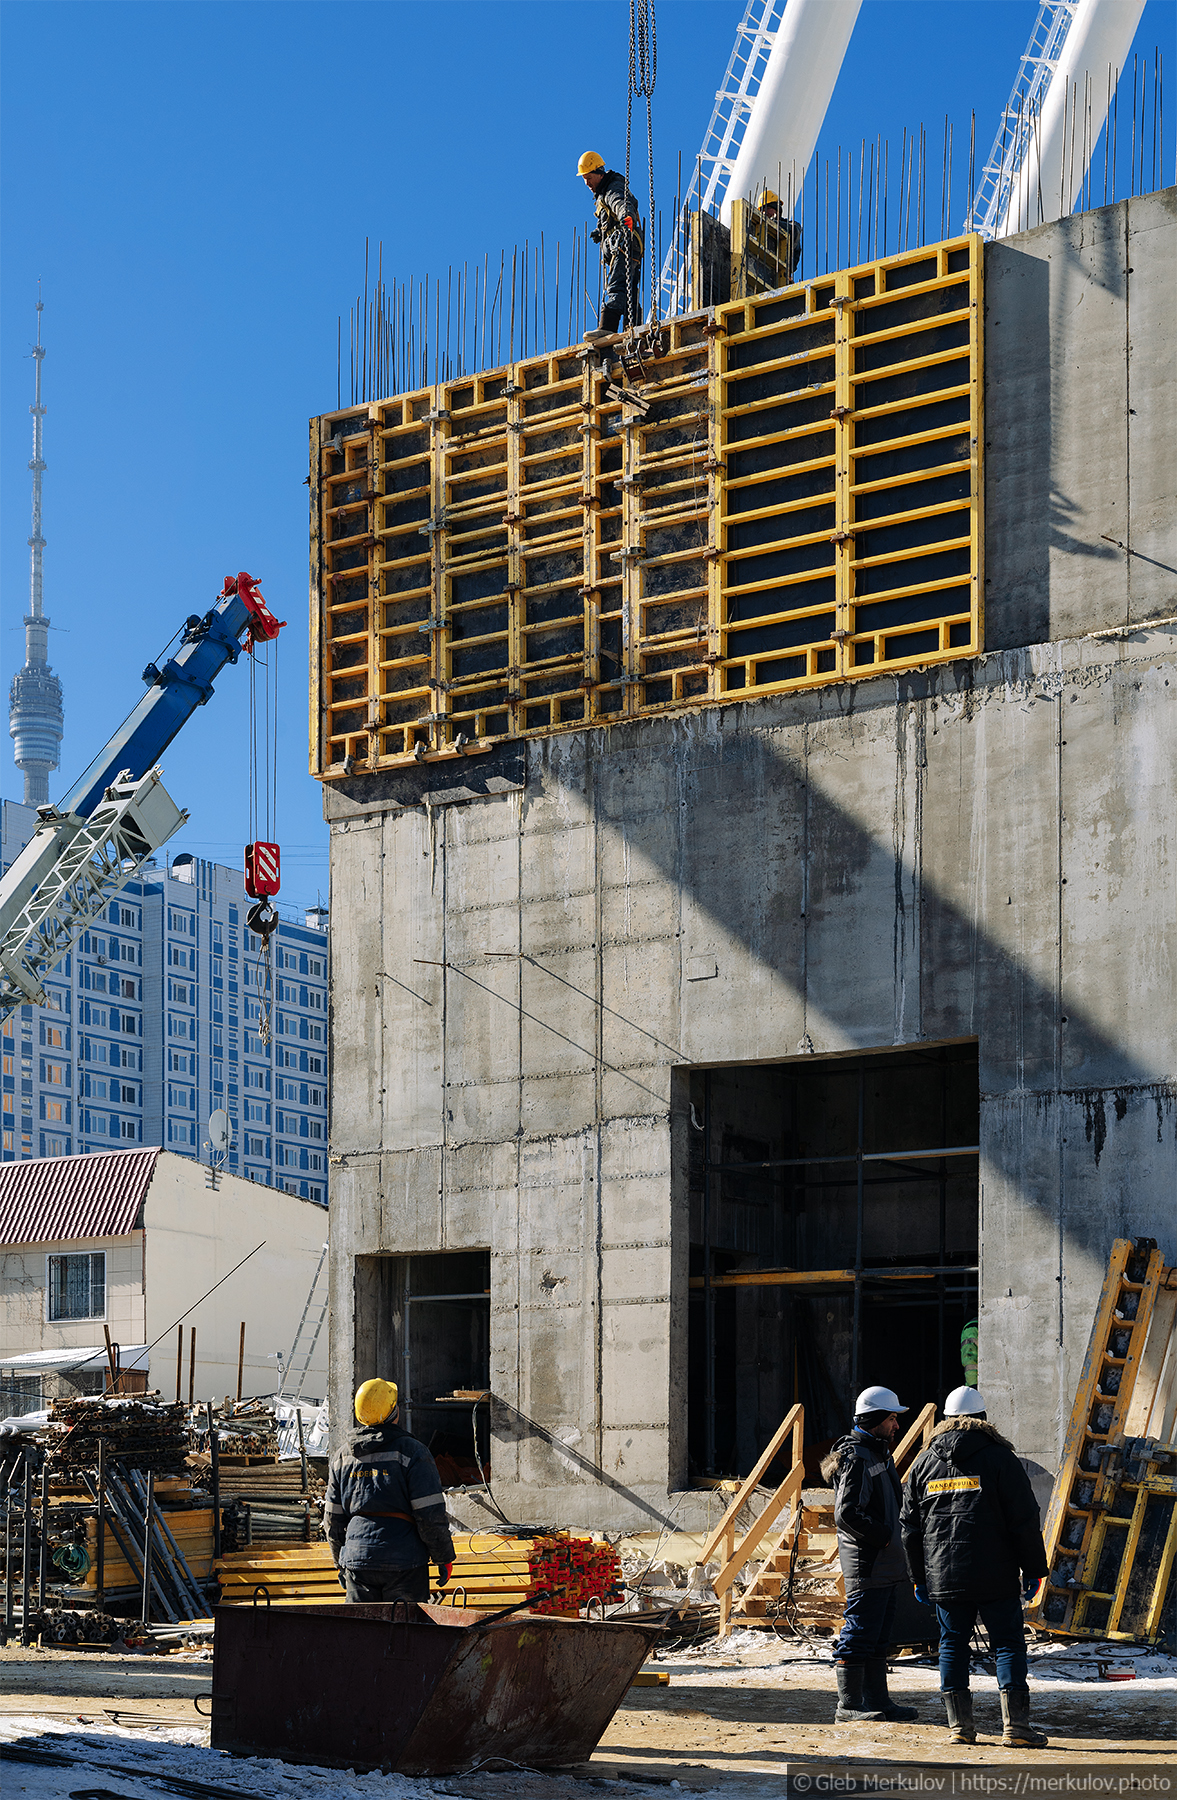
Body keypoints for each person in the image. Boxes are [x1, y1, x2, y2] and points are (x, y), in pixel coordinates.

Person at [900, 1385, 1049, 1749]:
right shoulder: (1000, 1458)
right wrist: (1034, 1570)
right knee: (1008, 1643)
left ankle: (960, 1728)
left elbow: (909, 1528)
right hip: (996, 1574)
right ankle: (1015, 1727)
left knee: (952, 1644)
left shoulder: (923, 1463)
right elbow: (1025, 1517)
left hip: (945, 1576)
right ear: (983, 1420)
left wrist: (919, 1577)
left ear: (946, 1421)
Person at [821, 1384, 919, 1725]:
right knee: (860, 1632)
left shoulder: (877, 1453)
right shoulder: (858, 1457)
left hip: (886, 1564)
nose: (897, 1426)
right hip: (870, 1564)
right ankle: (848, 1705)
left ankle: (879, 1702)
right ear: (876, 1419)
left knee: (879, 1637)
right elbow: (847, 1512)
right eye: (892, 1418)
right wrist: (884, 1539)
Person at [324, 1378, 456, 1603]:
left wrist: (341, 1562)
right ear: (394, 1411)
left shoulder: (342, 1457)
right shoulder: (413, 1452)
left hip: (357, 1561)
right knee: (405, 1632)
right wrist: (443, 1557)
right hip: (404, 1562)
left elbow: (332, 1520)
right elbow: (429, 1514)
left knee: (363, 1633)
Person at [577, 151, 644, 338]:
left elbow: (622, 204)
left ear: (600, 173)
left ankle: (608, 326)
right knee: (629, 289)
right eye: (584, 179)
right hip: (626, 244)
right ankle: (633, 328)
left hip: (624, 243)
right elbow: (609, 217)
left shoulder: (612, 188)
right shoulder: (602, 194)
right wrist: (600, 232)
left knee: (616, 285)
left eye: (589, 178)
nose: (587, 183)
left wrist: (626, 218)